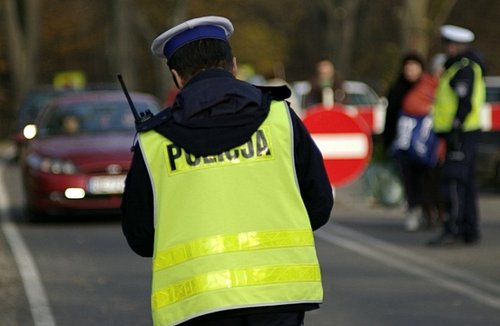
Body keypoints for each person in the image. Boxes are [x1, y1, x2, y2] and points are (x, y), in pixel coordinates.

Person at [120, 16, 334, 326]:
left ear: (176, 77)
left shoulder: (154, 141)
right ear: (233, 65)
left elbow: (140, 237)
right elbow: (319, 204)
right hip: (278, 297)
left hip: (197, 303)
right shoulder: (281, 119)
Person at [427, 25, 486, 246]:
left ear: (460, 45)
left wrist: (455, 128)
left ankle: (454, 227)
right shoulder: (458, 67)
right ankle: (469, 228)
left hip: (460, 133)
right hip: (463, 132)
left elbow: (464, 103)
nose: (448, 48)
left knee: (453, 181)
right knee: (466, 182)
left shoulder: (464, 68)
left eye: (451, 44)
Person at [383, 52, 442, 231]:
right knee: (410, 180)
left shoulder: (429, 87)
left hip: (429, 144)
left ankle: (432, 212)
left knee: (430, 179)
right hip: (404, 145)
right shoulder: (397, 90)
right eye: (407, 67)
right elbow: (390, 118)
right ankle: (414, 210)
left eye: (414, 67)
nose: (410, 71)